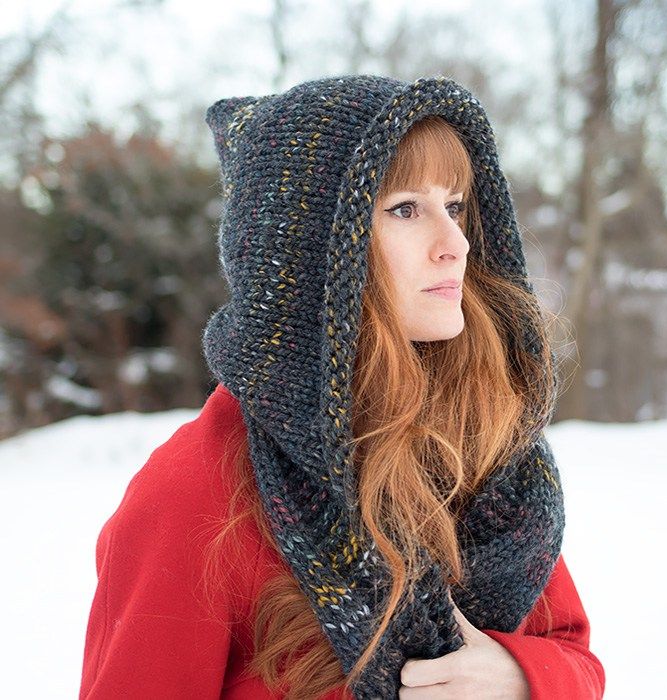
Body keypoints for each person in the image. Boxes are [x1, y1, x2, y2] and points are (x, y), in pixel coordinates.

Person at [79, 74, 606, 700]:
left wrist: (521, 678)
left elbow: (572, 652)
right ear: (314, 254)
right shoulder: (198, 492)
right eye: (405, 209)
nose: (456, 243)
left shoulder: (483, 444)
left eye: (457, 205)